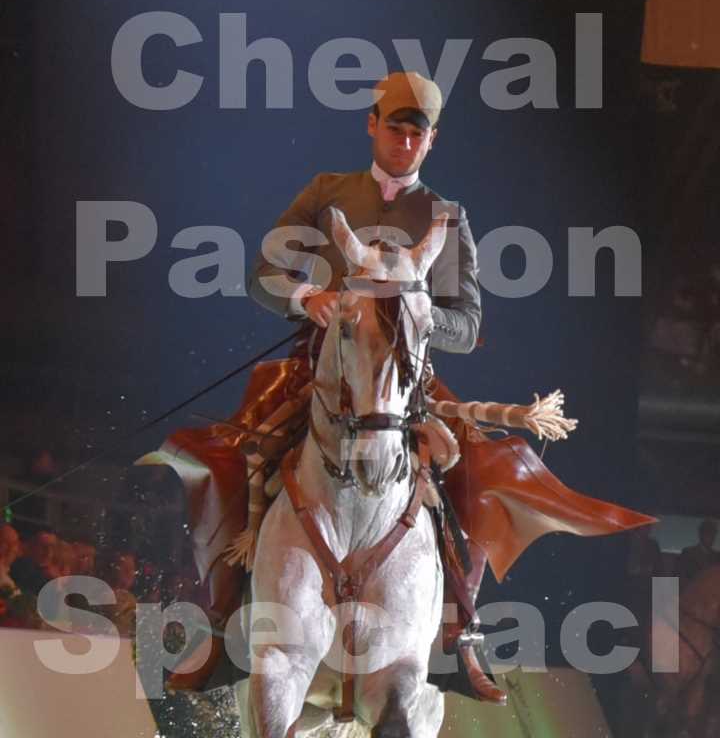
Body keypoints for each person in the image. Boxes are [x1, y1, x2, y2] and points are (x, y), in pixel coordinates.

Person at [144, 72, 654, 700]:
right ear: (371, 124)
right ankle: (223, 626)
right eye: (395, 128)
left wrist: (409, 310)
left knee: (474, 478)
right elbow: (263, 274)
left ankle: (457, 633)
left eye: (418, 134)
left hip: (405, 384)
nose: (405, 141)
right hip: (317, 368)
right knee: (232, 458)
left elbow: (467, 325)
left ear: (431, 141)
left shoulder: (446, 217)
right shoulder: (326, 192)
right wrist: (312, 297)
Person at [679, 519, 719, 585]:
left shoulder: (717, 556)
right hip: (693, 590)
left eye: (713, 533)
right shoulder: (688, 553)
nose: (711, 536)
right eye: (708, 532)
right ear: (701, 534)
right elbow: (681, 577)